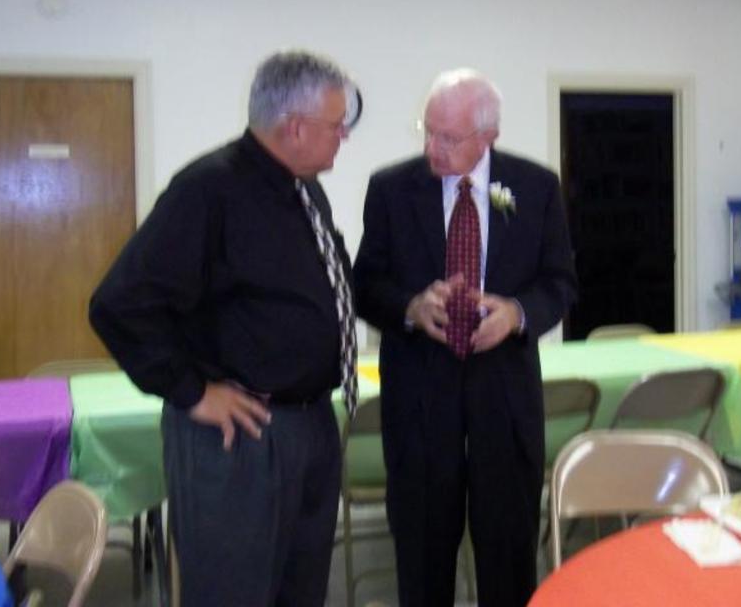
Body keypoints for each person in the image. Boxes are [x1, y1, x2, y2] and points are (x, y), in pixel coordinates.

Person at [89, 50, 361, 607]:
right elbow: (120, 304)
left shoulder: (305, 190)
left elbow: (321, 288)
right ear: (295, 127)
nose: (344, 137)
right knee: (233, 593)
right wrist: (191, 392)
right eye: (337, 125)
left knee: (303, 590)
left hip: (312, 424)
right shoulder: (208, 190)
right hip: (242, 438)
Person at [353, 68, 577, 607]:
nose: (432, 148)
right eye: (428, 131)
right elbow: (365, 285)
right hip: (419, 405)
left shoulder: (537, 187)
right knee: (422, 563)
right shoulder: (390, 189)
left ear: (488, 136)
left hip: (505, 402)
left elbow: (560, 283)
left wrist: (517, 314)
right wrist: (410, 307)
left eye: (448, 137)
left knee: (508, 559)